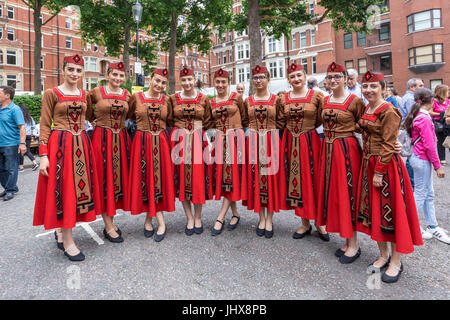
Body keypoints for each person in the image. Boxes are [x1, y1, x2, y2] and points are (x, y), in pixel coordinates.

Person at [33, 55, 102, 261]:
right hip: (60, 145)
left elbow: (90, 116)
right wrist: (43, 154)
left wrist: (101, 123)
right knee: (64, 190)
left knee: (78, 190)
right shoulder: (51, 93)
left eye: (78, 70)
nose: (74, 74)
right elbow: (45, 124)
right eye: (71, 69)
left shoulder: (84, 94)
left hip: (82, 144)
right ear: (63, 70)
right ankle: (68, 240)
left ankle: (62, 231)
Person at [357, 71, 423, 283]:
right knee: (376, 212)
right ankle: (383, 254)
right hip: (368, 162)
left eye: (374, 86)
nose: (369, 90)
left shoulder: (389, 110)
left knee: (391, 214)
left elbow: (388, 143)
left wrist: (379, 170)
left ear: (383, 88)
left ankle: (396, 260)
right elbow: (363, 129)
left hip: (385, 167)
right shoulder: (368, 107)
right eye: (365, 87)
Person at [315, 62, 366, 264]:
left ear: (345, 78)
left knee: (349, 195)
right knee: (335, 194)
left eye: (337, 76)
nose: (333, 80)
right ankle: (346, 240)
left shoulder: (355, 101)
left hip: (347, 151)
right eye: (330, 77)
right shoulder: (326, 100)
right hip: (328, 150)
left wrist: (389, 143)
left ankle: (354, 245)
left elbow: (366, 125)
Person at [278, 63, 329, 241]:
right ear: (288, 79)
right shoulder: (282, 98)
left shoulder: (317, 96)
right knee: (296, 181)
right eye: (292, 76)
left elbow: (323, 118)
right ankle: (305, 222)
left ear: (305, 76)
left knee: (314, 181)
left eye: (299, 75)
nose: (296, 79)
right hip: (290, 142)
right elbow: (279, 120)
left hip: (310, 142)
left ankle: (320, 223)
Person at [128, 68, 175, 242]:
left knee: (159, 180)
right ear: (150, 79)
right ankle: (155, 221)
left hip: (161, 143)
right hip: (142, 142)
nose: (159, 85)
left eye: (163, 83)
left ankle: (154, 221)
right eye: (157, 81)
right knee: (146, 180)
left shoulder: (166, 100)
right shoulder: (136, 98)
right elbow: (130, 116)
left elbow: (169, 120)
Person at [88, 62, 131, 243]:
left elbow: (131, 115)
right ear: (107, 74)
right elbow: (87, 112)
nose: (118, 79)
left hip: (120, 140)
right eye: (115, 75)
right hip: (101, 140)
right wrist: (95, 121)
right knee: (104, 181)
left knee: (117, 182)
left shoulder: (128, 95)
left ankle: (111, 222)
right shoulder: (95, 92)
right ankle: (108, 226)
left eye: (121, 76)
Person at [168, 67, 214, 236]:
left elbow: (208, 120)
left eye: (190, 79)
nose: (187, 83)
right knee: (182, 180)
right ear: (180, 81)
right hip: (179, 140)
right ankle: (189, 218)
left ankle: (198, 217)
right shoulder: (172, 99)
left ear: (195, 80)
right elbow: (169, 119)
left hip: (197, 139)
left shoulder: (203, 99)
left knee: (197, 181)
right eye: (184, 80)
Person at [404, 88, 450, 244]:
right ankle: (410, 226)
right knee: (421, 193)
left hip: (417, 158)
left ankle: (432, 225)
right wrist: (438, 166)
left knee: (427, 193)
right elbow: (430, 145)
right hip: (422, 159)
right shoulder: (424, 118)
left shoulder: (418, 115)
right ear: (431, 101)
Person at [243, 65, 281, 238]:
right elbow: (245, 120)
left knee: (270, 180)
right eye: (255, 77)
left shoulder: (276, 99)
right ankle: (261, 217)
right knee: (257, 179)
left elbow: (281, 120)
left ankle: (270, 219)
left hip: (271, 141)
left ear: (268, 79)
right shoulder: (248, 100)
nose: (258, 80)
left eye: (261, 77)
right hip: (253, 142)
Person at [209, 68, 248, 236]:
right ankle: (236, 214)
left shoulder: (237, 98)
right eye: (217, 82)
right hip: (220, 140)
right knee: (225, 178)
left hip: (235, 138)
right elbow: (209, 122)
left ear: (228, 83)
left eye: (223, 82)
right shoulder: (211, 101)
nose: (220, 85)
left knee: (232, 176)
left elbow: (245, 118)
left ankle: (220, 216)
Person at [0, 86, 26, 201]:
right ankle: (9, 187)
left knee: (11, 168)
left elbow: (22, 127)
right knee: (1, 169)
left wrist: (22, 143)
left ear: (7, 96)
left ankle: (10, 190)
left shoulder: (15, 109)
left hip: (10, 144)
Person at [400, 78, 424, 190]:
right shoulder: (410, 98)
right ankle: (410, 185)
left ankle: (410, 183)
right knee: (411, 156)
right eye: (420, 85)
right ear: (412, 87)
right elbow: (414, 117)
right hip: (409, 131)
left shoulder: (409, 97)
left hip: (408, 130)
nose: (422, 88)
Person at [431, 85, 449, 166]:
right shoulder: (433, 101)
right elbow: (430, 112)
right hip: (439, 123)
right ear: (442, 92)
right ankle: (442, 159)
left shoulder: (448, 101)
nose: (448, 92)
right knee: (441, 141)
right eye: (447, 90)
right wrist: (442, 114)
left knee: (449, 139)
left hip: (448, 122)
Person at [17, 104, 39, 172]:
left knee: (20, 151)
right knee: (27, 150)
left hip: (22, 135)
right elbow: (34, 127)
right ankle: (35, 163)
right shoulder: (30, 118)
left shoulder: (19, 117)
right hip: (29, 135)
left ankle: (21, 167)